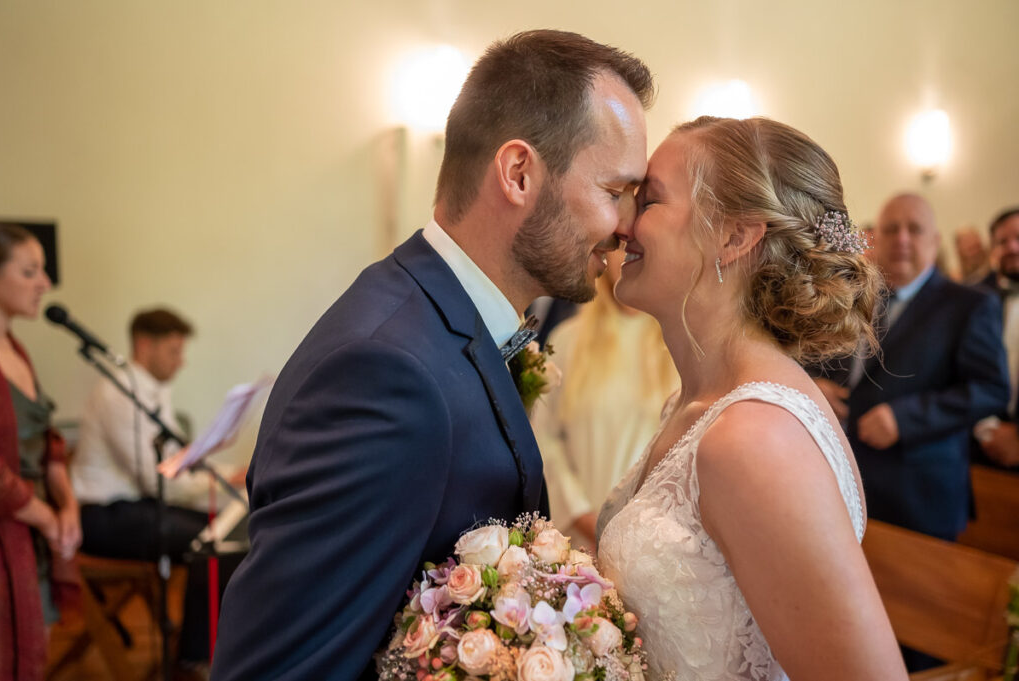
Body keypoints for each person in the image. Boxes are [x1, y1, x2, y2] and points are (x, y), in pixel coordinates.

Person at [211, 30, 652, 681]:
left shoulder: (445, 322)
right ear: (519, 174)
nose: (626, 227)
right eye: (615, 191)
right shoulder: (384, 373)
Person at [597, 117, 907, 680]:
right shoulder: (695, 406)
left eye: (650, 200)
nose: (621, 224)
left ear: (734, 237)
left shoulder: (755, 439)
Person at [812, 193, 1008, 541]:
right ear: (875, 239)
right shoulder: (851, 297)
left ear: (934, 241)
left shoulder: (970, 305)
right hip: (841, 477)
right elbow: (815, 358)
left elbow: (990, 388)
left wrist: (905, 419)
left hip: (917, 491)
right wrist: (813, 387)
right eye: (891, 229)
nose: (901, 238)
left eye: (914, 229)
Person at [71, 308, 243, 677]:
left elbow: (178, 461)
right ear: (144, 345)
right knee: (215, 542)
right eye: (173, 351)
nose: (181, 362)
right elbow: (160, 479)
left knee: (227, 530)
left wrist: (229, 475)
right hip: (104, 515)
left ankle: (204, 647)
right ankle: (193, 659)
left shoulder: (153, 391)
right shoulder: (118, 392)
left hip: (136, 505)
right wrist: (224, 481)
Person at [531, 249, 678, 549]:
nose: (628, 254)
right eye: (621, 244)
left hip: (651, 538)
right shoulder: (567, 339)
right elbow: (544, 438)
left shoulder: (676, 344)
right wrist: (584, 515)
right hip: (579, 535)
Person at [0, 223, 81, 681]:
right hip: (6, 534)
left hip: (31, 535)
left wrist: (67, 506)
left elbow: (48, 442)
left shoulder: (17, 350)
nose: (44, 284)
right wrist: (46, 517)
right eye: (29, 272)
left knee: (35, 655)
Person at [972, 207, 1019, 467]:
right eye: (1002, 241)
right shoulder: (973, 299)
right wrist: (986, 428)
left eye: (1018, 238)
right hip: (980, 445)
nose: (1012, 247)